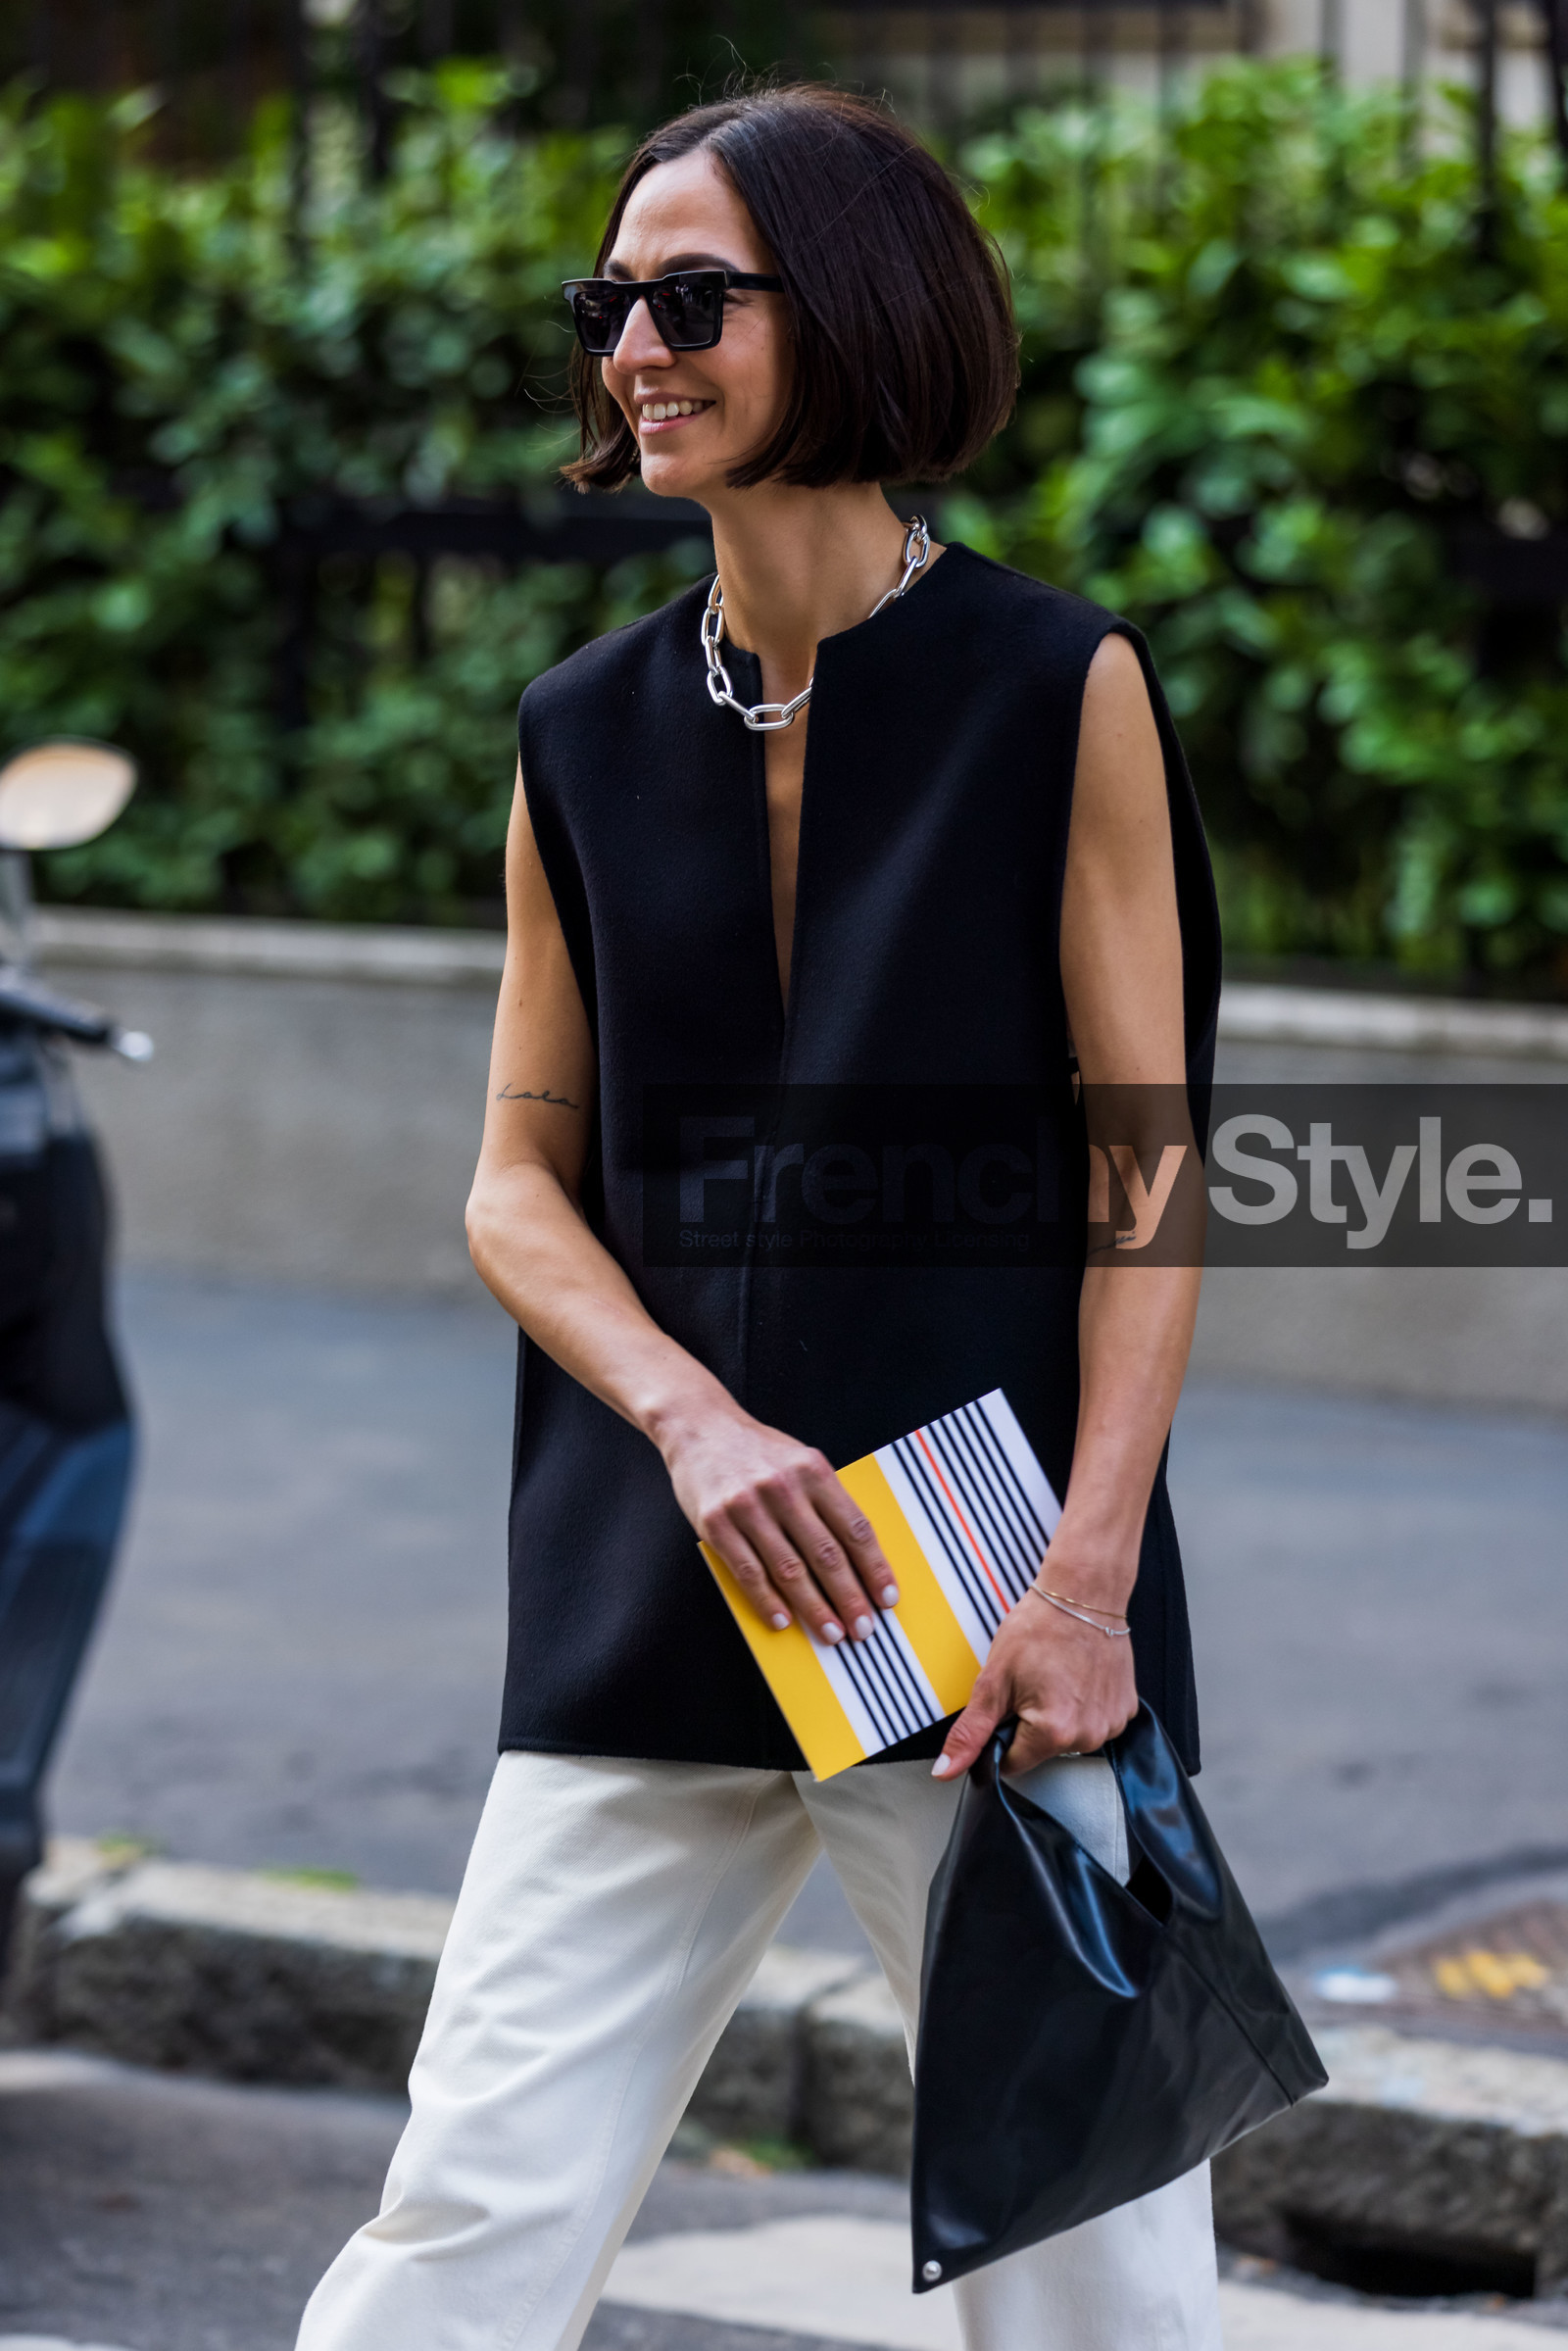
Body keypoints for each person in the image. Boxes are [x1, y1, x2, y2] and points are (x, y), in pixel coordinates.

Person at [297, 80, 1222, 2351]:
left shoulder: (1056, 686)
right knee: (464, 2225)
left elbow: (1147, 1174)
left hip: (991, 1606)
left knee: (1095, 2281)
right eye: (612, 299)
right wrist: (690, 1425)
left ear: (861, 308)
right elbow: (518, 1184)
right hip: (662, 1577)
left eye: (690, 295)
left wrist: (1087, 1578)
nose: (634, 344)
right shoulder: (579, 731)